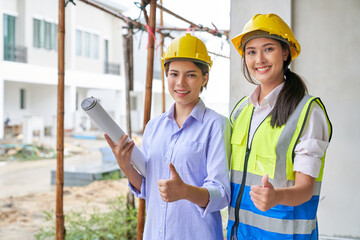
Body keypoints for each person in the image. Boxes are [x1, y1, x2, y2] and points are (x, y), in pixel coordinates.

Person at [105, 33, 231, 240]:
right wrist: (125, 165)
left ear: (204, 78)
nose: (180, 82)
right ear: (166, 75)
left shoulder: (216, 125)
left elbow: (222, 194)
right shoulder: (154, 127)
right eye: (174, 74)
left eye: (190, 75)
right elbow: (149, 189)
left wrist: (185, 191)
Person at [227, 13, 332, 240]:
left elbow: (306, 189)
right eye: (251, 51)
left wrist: (276, 197)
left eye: (268, 49)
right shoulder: (240, 112)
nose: (259, 59)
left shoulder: (307, 112)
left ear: (285, 52)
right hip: (240, 234)